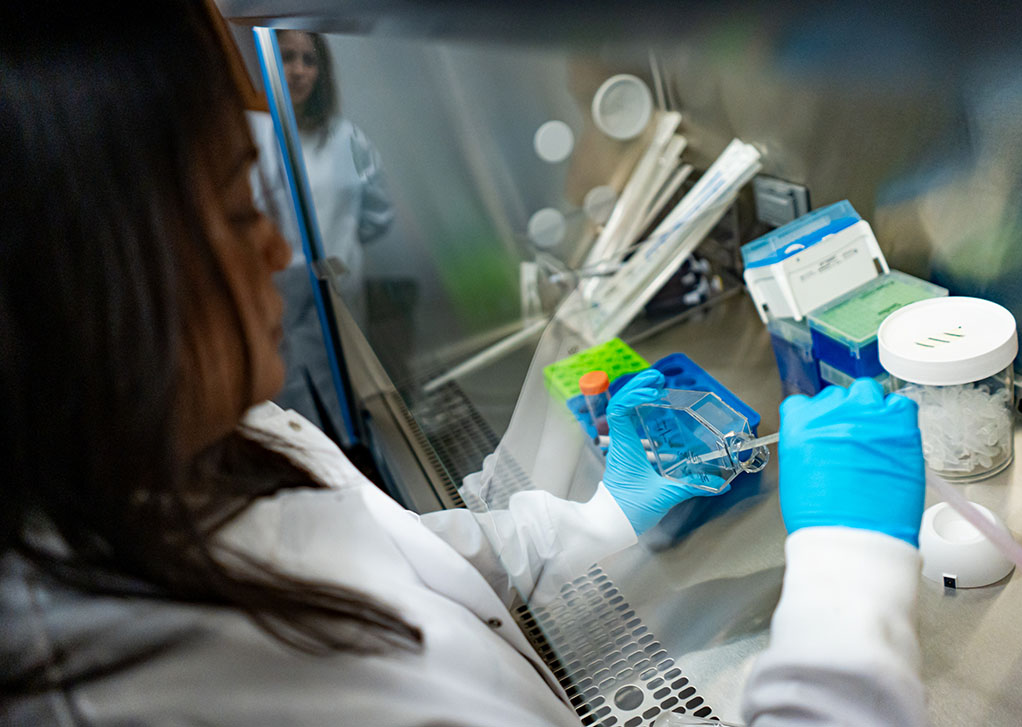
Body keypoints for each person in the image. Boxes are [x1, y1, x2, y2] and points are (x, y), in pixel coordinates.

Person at [0, 4, 927, 726]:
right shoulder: (143, 689)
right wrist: (849, 566)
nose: (280, 251)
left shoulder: (205, 443)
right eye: (239, 209)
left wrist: (606, 516)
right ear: (80, 278)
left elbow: (416, 574)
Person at [249, 29, 393, 446]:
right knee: (293, 411)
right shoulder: (251, 133)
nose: (296, 71)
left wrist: (340, 245)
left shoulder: (345, 138)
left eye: (308, 60)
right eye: (287, 57)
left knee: (351, 400)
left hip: (338, 290)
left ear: (322, 72)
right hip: (277, 297)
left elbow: (377, 215)